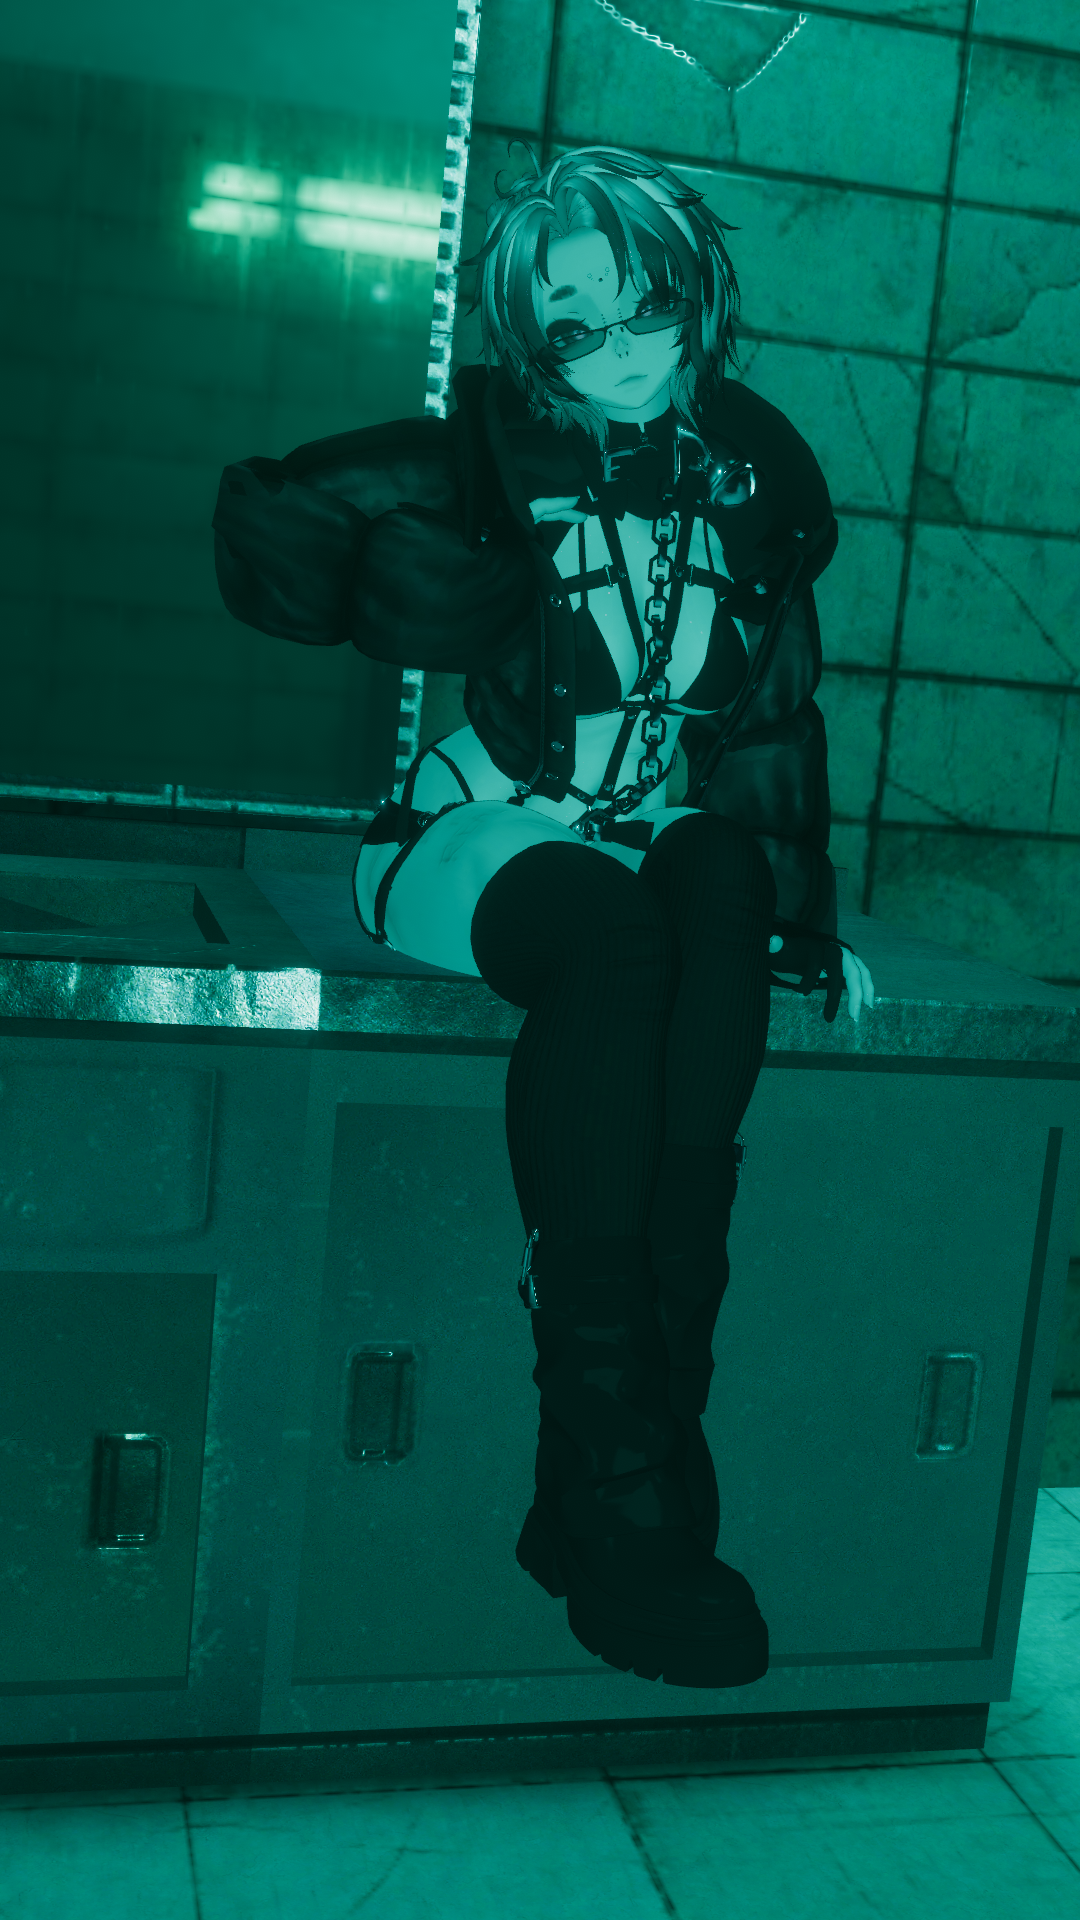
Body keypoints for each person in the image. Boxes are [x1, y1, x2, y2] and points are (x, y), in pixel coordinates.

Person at [213, 142, 875, 1691]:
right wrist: (400, 579)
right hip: (474, 823)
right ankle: (626, 1506)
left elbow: (772, 719)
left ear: (696, 296)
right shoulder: (489, 455)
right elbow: (268, 525)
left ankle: (612, 1493)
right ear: (533, 338)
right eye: (576, 326)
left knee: (720, 890)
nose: (621, 348)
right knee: (615, 935)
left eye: (647, 308)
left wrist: (803, 914)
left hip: (644, 827)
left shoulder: (757, 477)